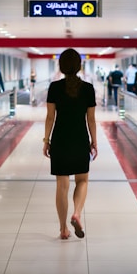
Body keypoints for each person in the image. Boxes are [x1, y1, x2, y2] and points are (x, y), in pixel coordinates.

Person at [43, 48, 97, 240]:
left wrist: (46, 140)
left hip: (60, 139)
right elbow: (91, 119)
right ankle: (77, 213)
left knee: (62, 185)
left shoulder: (54, 87)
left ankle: (63, 228)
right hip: (80, 138)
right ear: (79, 66)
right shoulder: (88, 88)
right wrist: (94, 141)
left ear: (61, 66)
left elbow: (50, 117)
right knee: (82, 180)